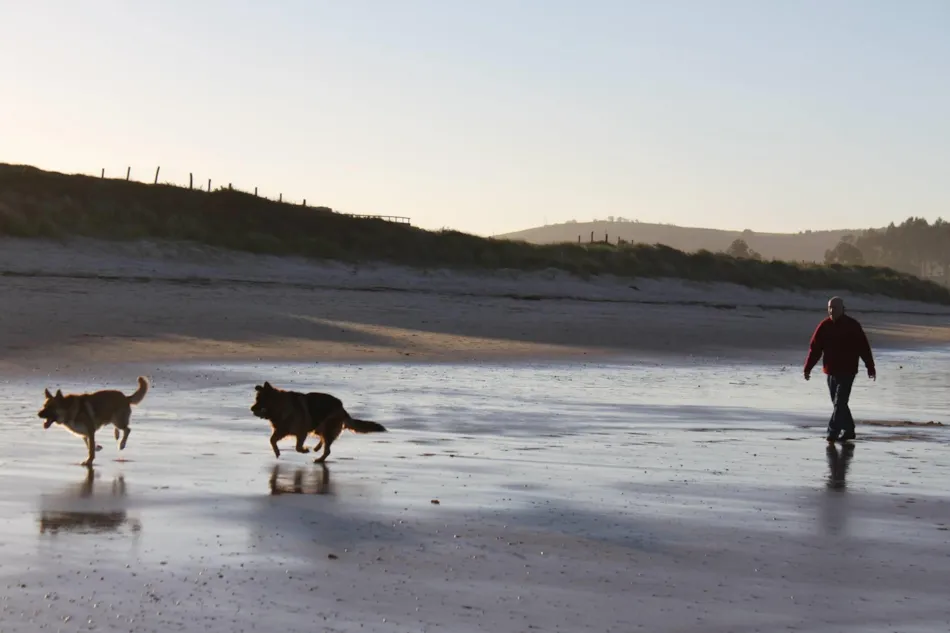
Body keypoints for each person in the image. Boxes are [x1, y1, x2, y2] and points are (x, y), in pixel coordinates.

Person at [803, 296, 876, 443]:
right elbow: (815, 349)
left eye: (835, 308)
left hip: (848, 371)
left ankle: (833, 432)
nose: (831, 311)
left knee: (840, 402)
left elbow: (864, 348)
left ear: (843, 309)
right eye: (829, 308)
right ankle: (849, 430)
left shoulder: (852, 325)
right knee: (839, 403)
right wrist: (807, 368)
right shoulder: (824, 326)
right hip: (830, 371)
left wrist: (870, 367)